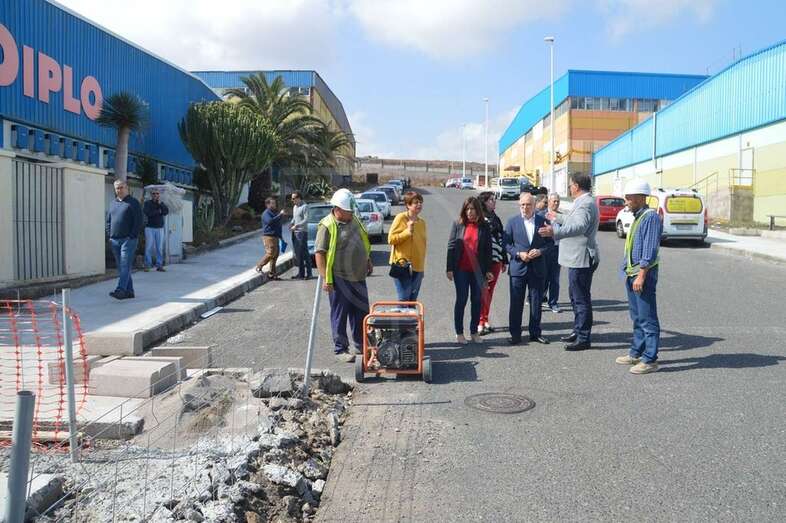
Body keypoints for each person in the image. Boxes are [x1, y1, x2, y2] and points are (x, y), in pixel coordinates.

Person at [538, 172, 599, 351]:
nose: (569, 188)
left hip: (582, 258)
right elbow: (572, 220)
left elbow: (579, 226)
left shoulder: (586, 203)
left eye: (571, 185)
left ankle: (583, 337)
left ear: (577, 186)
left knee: (580, 298)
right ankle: (578, 329)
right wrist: (555, 217)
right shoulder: (582, 202)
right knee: (575, 295)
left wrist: (554, 232)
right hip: (576, 257)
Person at [315, 188, 373, 363]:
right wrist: (326, 278)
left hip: (359, 276)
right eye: (348, 211)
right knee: (340, 314)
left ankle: (362, 346)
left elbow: (363, 242)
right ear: (338, 209)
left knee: (361, 313)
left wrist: (367, 260)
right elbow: (319, 253)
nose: (351, 214)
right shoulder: (327, 225)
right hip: (339, 278)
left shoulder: (353, 220)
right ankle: (341, 349)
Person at [616, 179, 663, 375]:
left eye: (629, 198)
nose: (626, 201)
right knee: (637, 317)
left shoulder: (650, 217)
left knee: (647, 317)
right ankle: (636, 352)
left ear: (639, 198)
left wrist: (641, 275)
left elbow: (650, 249)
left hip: (641, 274)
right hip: (632, 273)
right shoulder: (638, 215)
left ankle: (650, 359)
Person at [504, 193, 553, 345]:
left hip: (537, 268)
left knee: (536, 302)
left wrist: (540, 251)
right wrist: (518, 254)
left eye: (528, 205)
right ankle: (515, 334)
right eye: (522, 205)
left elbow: (550, 244)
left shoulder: (543, 221)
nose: (525, 208)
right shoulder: (512, 222)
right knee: (516, 303)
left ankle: (535, 333)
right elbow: (506, 244)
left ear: (534, 205)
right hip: (518, 268)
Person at [446, 197, 493, 344]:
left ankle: (474, 332)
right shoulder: (458, 224)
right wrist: (449, 268)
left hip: (478, 271)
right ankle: (459, 333)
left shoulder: (484, 226)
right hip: (461, 269)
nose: (470, 212)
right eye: (467, 209)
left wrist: (488, 270)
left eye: (472, 209)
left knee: (477, 300)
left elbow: (488, 250)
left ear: (478, 210)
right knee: (462, 299)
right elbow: (451, 246)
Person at [106, 179, 143, 300]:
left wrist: (132, 236)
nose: (119, 190)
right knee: (122, 267)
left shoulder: (133, 203)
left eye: (122, 187)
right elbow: (108, 221)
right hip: (115, 240)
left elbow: (138, 222)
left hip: (128, 240)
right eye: (117, 188)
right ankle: (129, 291)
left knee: (125, 265)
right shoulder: (113, 203)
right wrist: (109, 235)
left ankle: (120, 290)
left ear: (127, 188)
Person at [387, 191, 427, 301]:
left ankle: (413, 319)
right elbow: (391, 239)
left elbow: (423, 246)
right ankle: (402, 319)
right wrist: (407, 232)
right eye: (416, 202)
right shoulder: (401, 218)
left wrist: (422, 268)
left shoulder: (422, 222)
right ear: (408, 205)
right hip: (402, 265)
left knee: (413, 300)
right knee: (404, 299)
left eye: (420, 202)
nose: (419, 205)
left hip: (417, 267)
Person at [477, 191, 508, 335]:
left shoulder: (496, 218)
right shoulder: (479, 219)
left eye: (494, 199)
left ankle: (485, 319)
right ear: (484, 202)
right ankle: (479, 322)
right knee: (482, 291)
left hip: (496, 260)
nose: (494, 202)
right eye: (491, 200)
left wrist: (504, 259)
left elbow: (502, 239)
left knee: (490, 292)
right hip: (484, 262)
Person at [256, 197, 287, 279]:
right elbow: (270, 221)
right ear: (267, 204)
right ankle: (259, 265)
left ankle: (272, 273)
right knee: (270, 253)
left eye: (274, 203)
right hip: (268, 236)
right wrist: (280, 215)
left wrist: (281, 237)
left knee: (275, 255)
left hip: (276, 236)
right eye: (272, 203)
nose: (274, 205)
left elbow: (278, 225)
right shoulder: (266, 213)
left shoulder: (275, 213)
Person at [544, 192, 562, 313]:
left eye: (557, 201)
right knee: (543, 277)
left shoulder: (561, 217)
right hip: (544, 250)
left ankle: (553, 302)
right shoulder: (542, 215)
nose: (556, 203)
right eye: (554, 201)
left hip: (557, 250)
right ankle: (537, 298)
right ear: (549, 202)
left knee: (555, 278)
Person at [143, 188, 168, 272]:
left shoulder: (161, 203)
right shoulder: (147, 203)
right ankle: (147, 265)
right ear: (151, 195)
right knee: (148, 247)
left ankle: (159, 265)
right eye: (154, 194)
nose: (155, 195)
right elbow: (148, 213)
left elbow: (166, 212)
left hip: (160, 228)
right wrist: (158, 211)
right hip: (149, 228)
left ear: (159, 195)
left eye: (157, 194)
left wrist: (160, 206)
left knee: (159, 248)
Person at [289, 191, 313, 280]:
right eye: (292, 198)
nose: (292, 200)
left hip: (302, 232)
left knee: (305, 253)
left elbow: (306, 219)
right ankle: (301, 273)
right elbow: (294, 218)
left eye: (294, 198)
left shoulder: (305, 206)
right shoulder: (295, 207)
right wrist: (291, 223)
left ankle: (309, 273)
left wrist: (297, 225)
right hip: (295, 232)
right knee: (298, 254)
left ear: (299, 198)